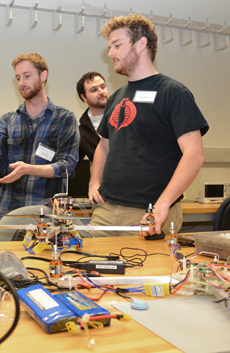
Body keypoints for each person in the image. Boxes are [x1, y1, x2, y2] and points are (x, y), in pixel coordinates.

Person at [88, 14, 209, 237]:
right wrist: (94, 182)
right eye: (109, 47)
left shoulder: (173, 93)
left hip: (148, 213)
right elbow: (103, 146)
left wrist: (162, 204)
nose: (110, 53)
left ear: (141, 44)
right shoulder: (116, 97)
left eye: (117, 45)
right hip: (106, 211)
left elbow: (194, 154)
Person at [0, 53, 79, 217]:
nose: (21, 83)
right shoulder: (7, 120)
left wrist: (28, 169)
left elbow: (67, 166)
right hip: (11, 213)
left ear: (43, 76)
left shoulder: (64, 118)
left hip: (48, 215)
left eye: (27, 76)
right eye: (18, 78)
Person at [75, 72, 110, 163]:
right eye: (94, 90)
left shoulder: (124, 113)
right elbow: (70, 165)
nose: (101, 92)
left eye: (103, 87)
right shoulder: (81, 133)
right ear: (84, 98)